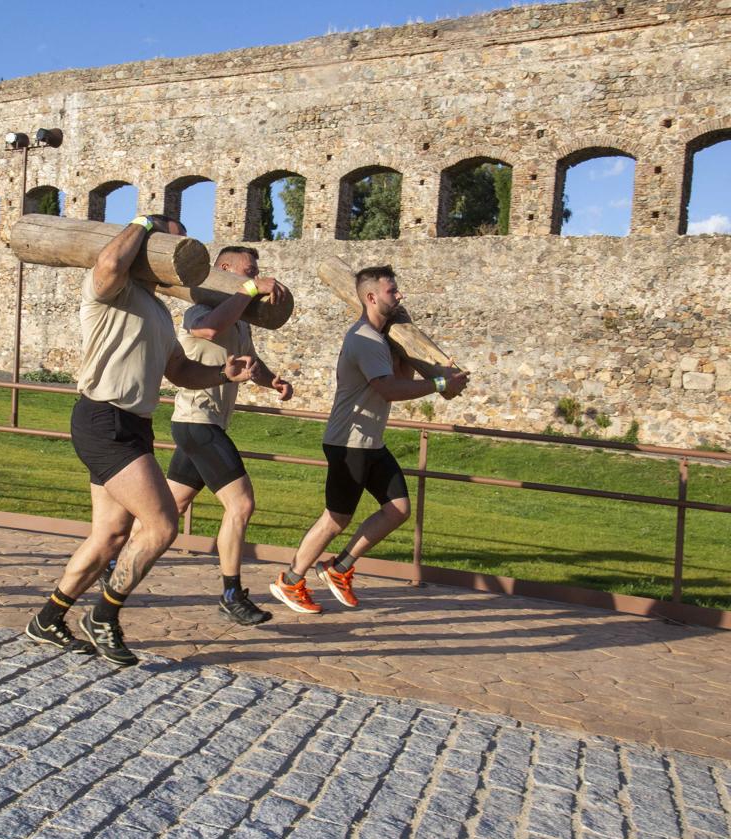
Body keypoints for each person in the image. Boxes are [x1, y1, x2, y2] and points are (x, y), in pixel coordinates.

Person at [25, 214, 256, 666]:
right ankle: (104, 617)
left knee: (110, 535)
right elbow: (111, 261)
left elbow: (180, 371)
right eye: (169, 240)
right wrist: (145, 221)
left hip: (133, 424)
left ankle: (48, 618)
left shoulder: (157, 311)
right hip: (103, 418)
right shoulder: (109, 289)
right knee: (162, 525)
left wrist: (221, 373)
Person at [270, 264, 468, 614]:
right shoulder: (362, 339)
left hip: (370, 442)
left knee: (397, 509)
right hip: (348, 442)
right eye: (393, 291)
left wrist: (410, 354)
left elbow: (400, 376)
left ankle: (339, 567)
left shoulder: (380, 339)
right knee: (335, 518)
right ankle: (291, 579)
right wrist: (440, 384)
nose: (400, 295)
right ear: (372, 297)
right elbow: (388, 389)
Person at [156, 246, 293, 625]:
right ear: (226, 271)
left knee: (168, 510)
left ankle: (114, 560)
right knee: (241, 505)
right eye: (249, 271)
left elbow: (251, 362)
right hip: (196, 422)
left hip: (207, 425)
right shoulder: (202, 307)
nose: (257, 276)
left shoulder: (242, 319)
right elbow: (208, 329)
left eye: (257, 271)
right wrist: (249, 290)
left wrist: (272, 381)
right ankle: (231, 594)